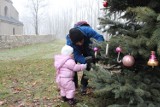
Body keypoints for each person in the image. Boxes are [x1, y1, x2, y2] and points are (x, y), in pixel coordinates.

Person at [66, 21, 104, 94]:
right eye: (78, 43)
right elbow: (76, 54)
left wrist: (98, 47)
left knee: (89, 64)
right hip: (76, 52)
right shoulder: (70, 42)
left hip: (88, 48)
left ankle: (84, 84)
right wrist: (84, 60)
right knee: (71, 62)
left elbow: (99, 37)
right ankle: (74, 83)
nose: (80, 44)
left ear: (83, 37)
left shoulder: (88, 31)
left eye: (81, 41)